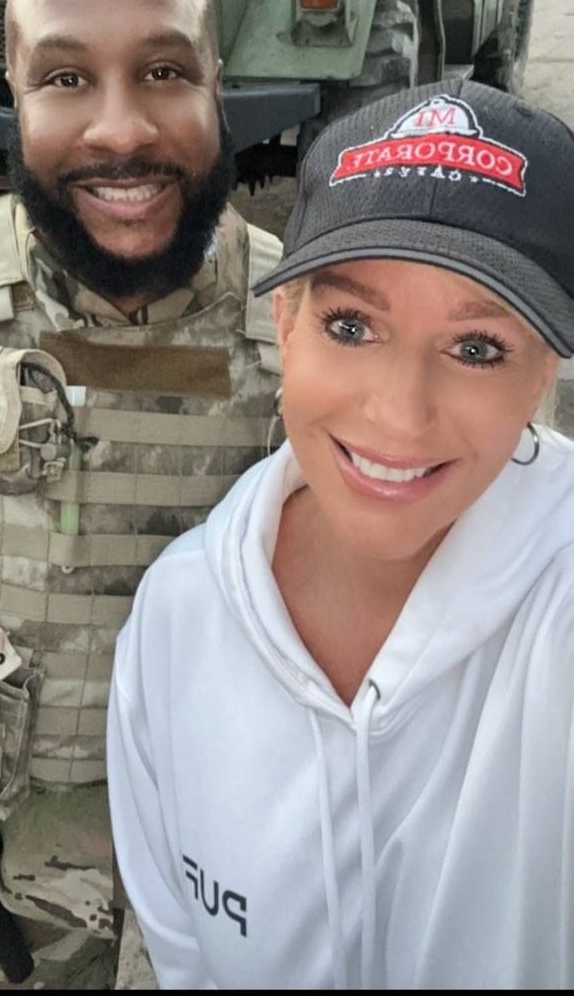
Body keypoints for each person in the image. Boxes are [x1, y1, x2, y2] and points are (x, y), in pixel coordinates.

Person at [0, 0, 282, 989]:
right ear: (13, 90)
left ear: (214, 85)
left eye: (161, 70)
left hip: (240, 886)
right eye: (63, 77)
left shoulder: (315, 326)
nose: (120, 128)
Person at [108, 78, 574, 990]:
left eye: (477, 347)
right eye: (352, 324)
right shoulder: (178, 617)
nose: (399, 417)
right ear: (286, 325)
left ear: (540, 379)